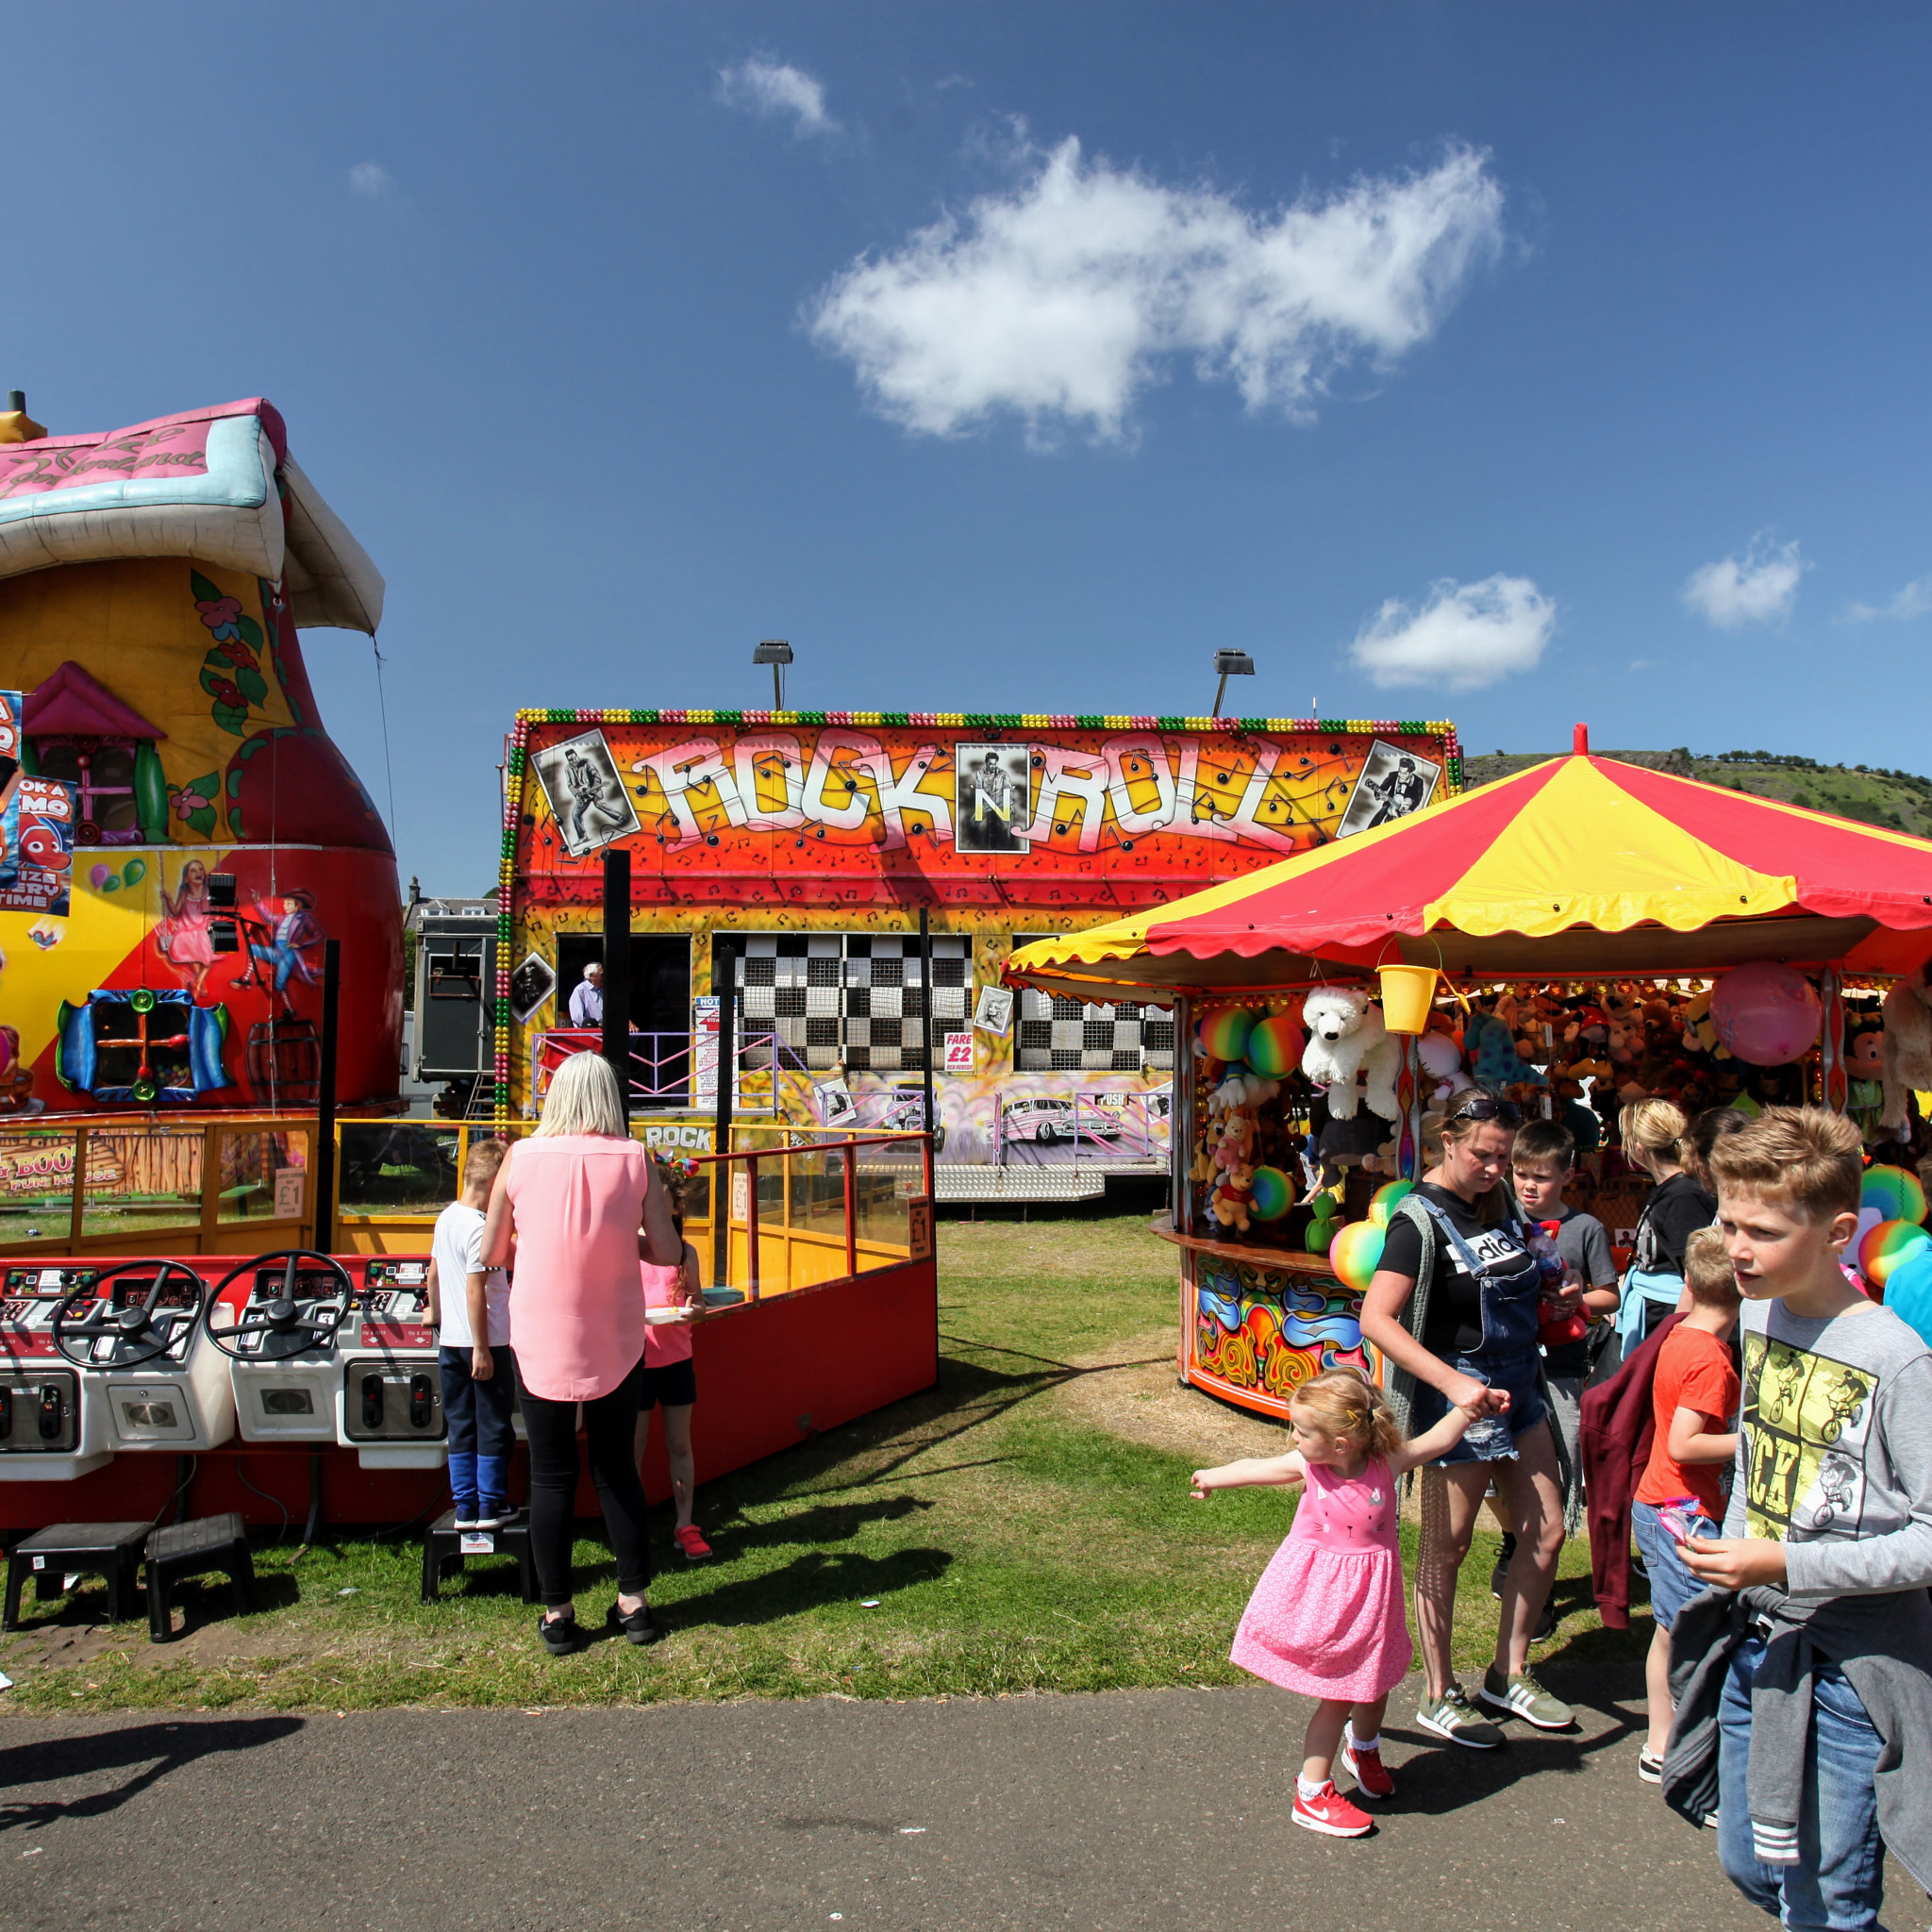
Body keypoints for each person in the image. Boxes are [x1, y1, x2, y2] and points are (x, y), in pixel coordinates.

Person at [1673, 1108, 1932, 1928]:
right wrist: (1736, 1542)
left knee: (1827, 1898)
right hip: (1762, 1640)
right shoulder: (1761, 1309)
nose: (1734, 1248)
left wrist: (1784, 1565)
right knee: (1749, 1863)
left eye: (1762, 1231)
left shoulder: (1897, 1360)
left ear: (1838, 1231)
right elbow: (1758, 1447)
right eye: (1727, 1221)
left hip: (1857, 1668)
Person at [1359, 1093, 1583, 1748]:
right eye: (1483, 1155)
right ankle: (1437, 1692)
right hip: (1456, 1402)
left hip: (1520, 1389)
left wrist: (1550, 1288)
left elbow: (1516, 1268)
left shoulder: (1501, 1203)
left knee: (1544, 1531)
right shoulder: (1417, 1220)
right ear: (1448, 1141)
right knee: (1447, 1548)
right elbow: (1377, 1318)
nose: (1495, 1169)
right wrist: (1453, 1383)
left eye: (1505, 1158)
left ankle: (1508, 1675)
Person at [1191, 1369, 1486, 1839]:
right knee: (1340, 1695)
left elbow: (1436, 1441)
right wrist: (1213, 1477)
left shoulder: (1385, 1463)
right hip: (1325, 1601)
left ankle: (1362, 1747)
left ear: (1342, 1443)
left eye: (1302, 1431)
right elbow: (1254, 1466)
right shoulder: (1309, 1466)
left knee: (1378, 1679)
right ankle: (1312, 1793)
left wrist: (1470, 1411)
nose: (1293, 1437)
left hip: (1374, 1602)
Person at [481, 1050, 685, 1653]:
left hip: (539, 1334)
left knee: (549, 1473)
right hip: (617, 1335)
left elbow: (495, 1249)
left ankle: (557, 1612)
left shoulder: (519, 1157)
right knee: (616, 1466)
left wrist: (543, 1240)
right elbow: (668, 1251)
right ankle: (634, 1602)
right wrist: (623, 1240)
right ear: (610, 1099)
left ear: (557, 1095)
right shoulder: (634, 1158)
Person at [1632, 1226, 1740, 1783]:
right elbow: (1684, 1444)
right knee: (1695, 1637)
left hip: (1659, 1505)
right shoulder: (1713, 1361)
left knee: (1670, 1630)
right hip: (1683, 1512)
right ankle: (1689, 1758)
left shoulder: (1679, 1333)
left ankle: (1661, 1743)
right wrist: (1752, 1437)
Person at [1503, 1117, 1620, 1568]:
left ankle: (1541, 1554)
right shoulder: (1500, 1217)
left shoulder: (1585, 1227)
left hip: (1564, 1364)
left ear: (1567, 1176)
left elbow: (1609, 1294)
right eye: (1522, 1174)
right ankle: (1515, 1541)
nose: (1529, 1186)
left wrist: (1577, 1301)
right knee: (1500, 1459)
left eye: (1542, 1176)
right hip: (1507, 1357)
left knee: (1560, 1453)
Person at [427, 1138, 517, 1531]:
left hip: (451, 1343)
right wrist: (482, 1347)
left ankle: (465, 1505)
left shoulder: (446, 1217)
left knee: (461, 1424)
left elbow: (432, 1272)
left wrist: (436, 1313)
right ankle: (490, 1504)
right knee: (494, 1425)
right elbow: (475, 1288)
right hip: (486, 1343)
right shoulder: (481, 1229)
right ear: (494, 1183)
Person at [635, 1159, 711, 1561]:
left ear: (677, 1209)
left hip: (678, 1360)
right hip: (637, 1361)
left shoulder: (686, 1253)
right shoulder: (630, 1246)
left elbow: (698, 1301)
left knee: (680, 1444)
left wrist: (694, 1310)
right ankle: (631, 1526)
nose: (653, 1214)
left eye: (661, 1206)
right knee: (635, 1446)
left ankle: (685, 1524)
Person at [1616, 1099, 1711, 1358]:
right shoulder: (1671, 1189)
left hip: (1670, 1319)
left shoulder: (1683, 1196)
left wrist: (1680, 1339)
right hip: (1656, 1315)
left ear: (1638, 1147)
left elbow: (1696, 1275)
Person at [569, 960, 604, 1029]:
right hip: (587, 1034)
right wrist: (595, 1025)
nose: (604, 977)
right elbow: (577, 1017)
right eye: (602, 974)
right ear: (592, 976)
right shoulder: (580, 990)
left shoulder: (604, 990)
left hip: (604, 1033)